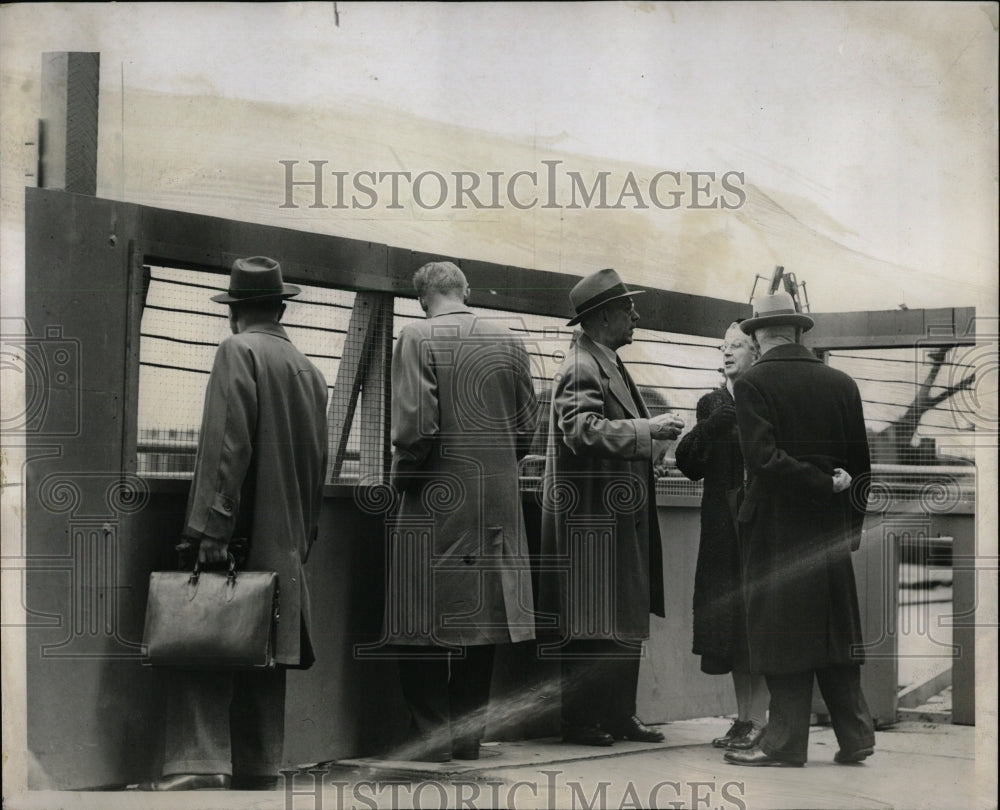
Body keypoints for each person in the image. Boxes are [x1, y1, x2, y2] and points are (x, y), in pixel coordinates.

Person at [141, 257, 329, 791]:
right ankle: (260, 765)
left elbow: (227, 447)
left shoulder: (237, 351)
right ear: (281, 305)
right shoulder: (309, 371)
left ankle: (198, 764)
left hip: (237, 532)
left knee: (203, 636)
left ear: (234, 311)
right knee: (264, 649)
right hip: (286, 539)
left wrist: (210, 533)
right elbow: (315, 468)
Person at [386, 261, 538, 762]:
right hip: (497, 498)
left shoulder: (416, 336)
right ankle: (469, 737)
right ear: (465, 291)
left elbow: (415, 430)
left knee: (420, 615)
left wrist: (400, 484)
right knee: (487, 617)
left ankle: (431, 739)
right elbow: (525, 429)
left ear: (421, 297)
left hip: (436, 496)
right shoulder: (510, 340)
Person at [724, 291, 875, 768]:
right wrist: (848, 525)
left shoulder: (752, 384)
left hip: (775, 530)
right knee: (835, 631)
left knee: (781, 633)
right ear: (799, 331)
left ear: (757, 334)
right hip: (829, 533)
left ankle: (786, 743)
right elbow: (861, 468)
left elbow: (763, 460)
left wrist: (819, 483)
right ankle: (856, 736)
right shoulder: (841, 383)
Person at [538, 268, 685, 747]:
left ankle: (619, 715)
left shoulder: (602, 360)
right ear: (603, 317)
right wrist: (649, 432)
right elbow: (579, 429)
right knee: (591, 622)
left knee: (619, 615)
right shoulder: (581, 365)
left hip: (610, 515)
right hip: (592, 520)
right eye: (628, 308)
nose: (635, 316)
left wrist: (646, 457)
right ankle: (580, 720)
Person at [675, 321, 769, 750]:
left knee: (757, 619)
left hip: (758, 524)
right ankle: (742, 717)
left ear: (756, 352)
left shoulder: (767, 399)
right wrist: (716, 422)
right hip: (719, 527)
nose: (727, 352)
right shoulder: (712, 402)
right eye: (724, 346)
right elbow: (691, 463)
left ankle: (759, 718)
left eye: (737, 346)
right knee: (730, 622)